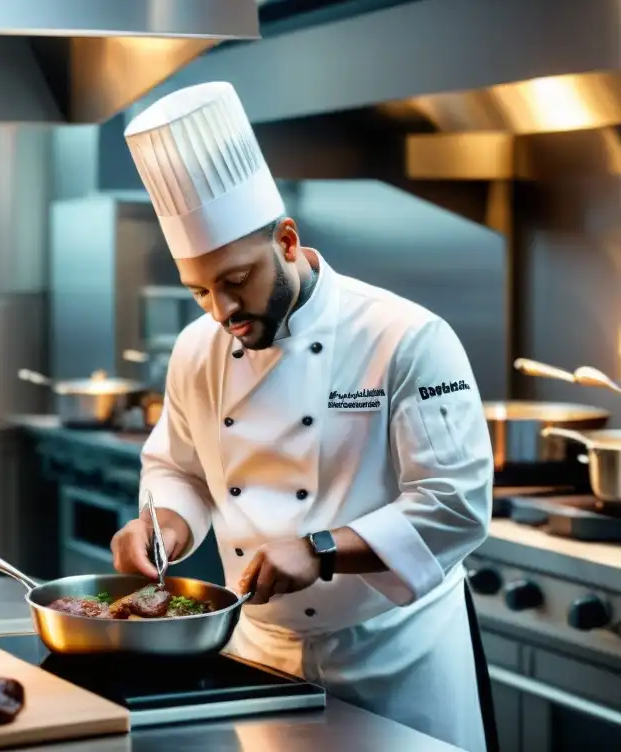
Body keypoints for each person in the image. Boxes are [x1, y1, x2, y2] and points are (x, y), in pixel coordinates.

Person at [111, 82, 497, 752]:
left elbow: (455, 505)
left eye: (236, 280)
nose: (222, 311)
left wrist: (318, 548)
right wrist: (164, 524)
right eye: (201, 290)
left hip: (394, 655)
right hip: (262, 654)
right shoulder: (198, 347)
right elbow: (181, 468)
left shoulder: (406, 337)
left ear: (287, 240)